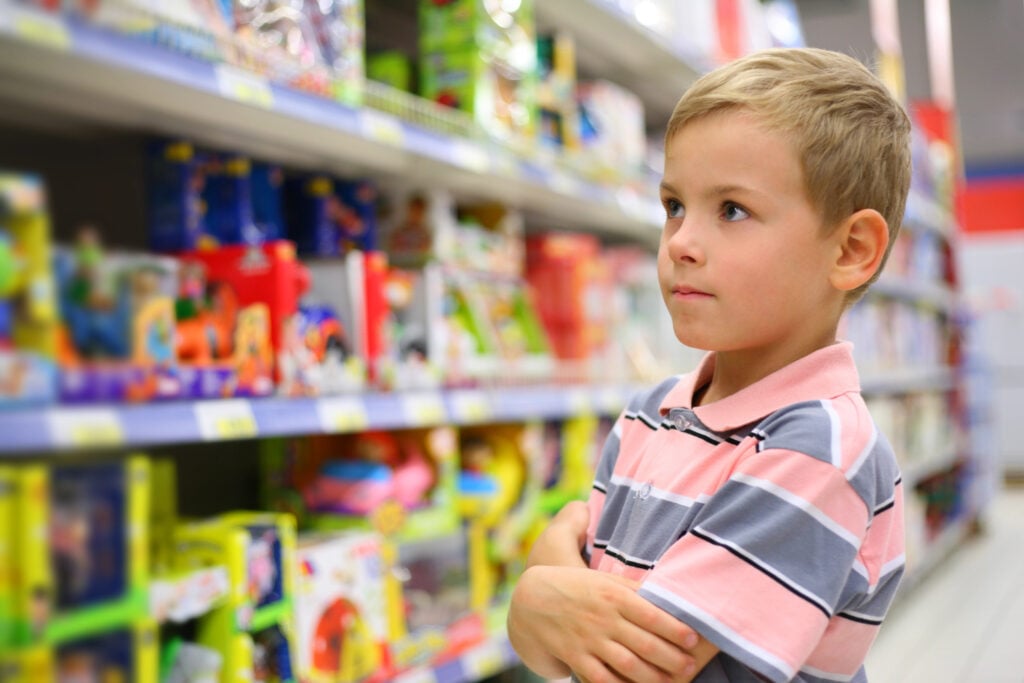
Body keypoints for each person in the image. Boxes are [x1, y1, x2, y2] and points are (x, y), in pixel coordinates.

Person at [507, 47, 910, 683]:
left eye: (731, 210)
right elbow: (568, 639)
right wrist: (543, 609)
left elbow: (638, 666)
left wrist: (537, 589)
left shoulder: (821, 448)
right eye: (673, 206)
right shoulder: (654, 411)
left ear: (851, 249)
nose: (682, 244)